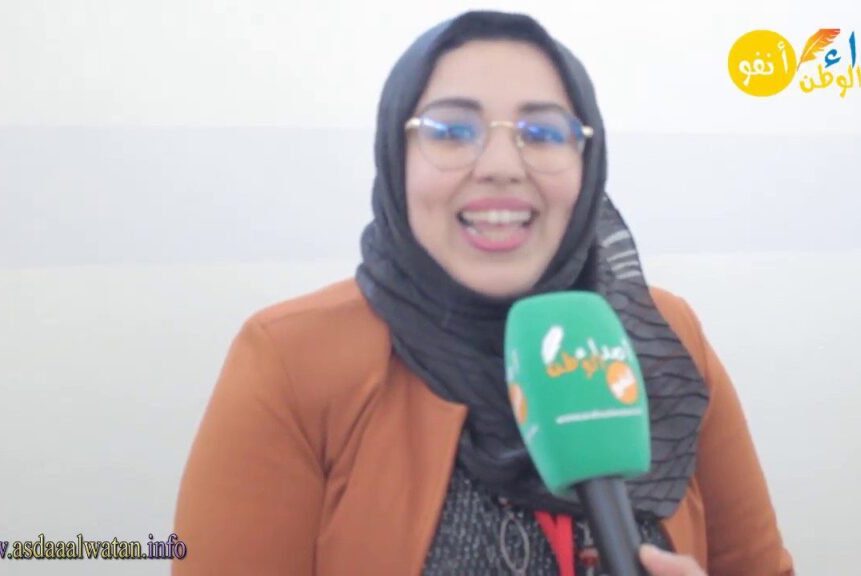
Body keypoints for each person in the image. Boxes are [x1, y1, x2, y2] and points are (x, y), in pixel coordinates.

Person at [173, 10, 794, 576]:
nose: (501, 164)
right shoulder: (292, 361)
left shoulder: (663, 337)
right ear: (396, 157)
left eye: (543, 133)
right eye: (451, 130)